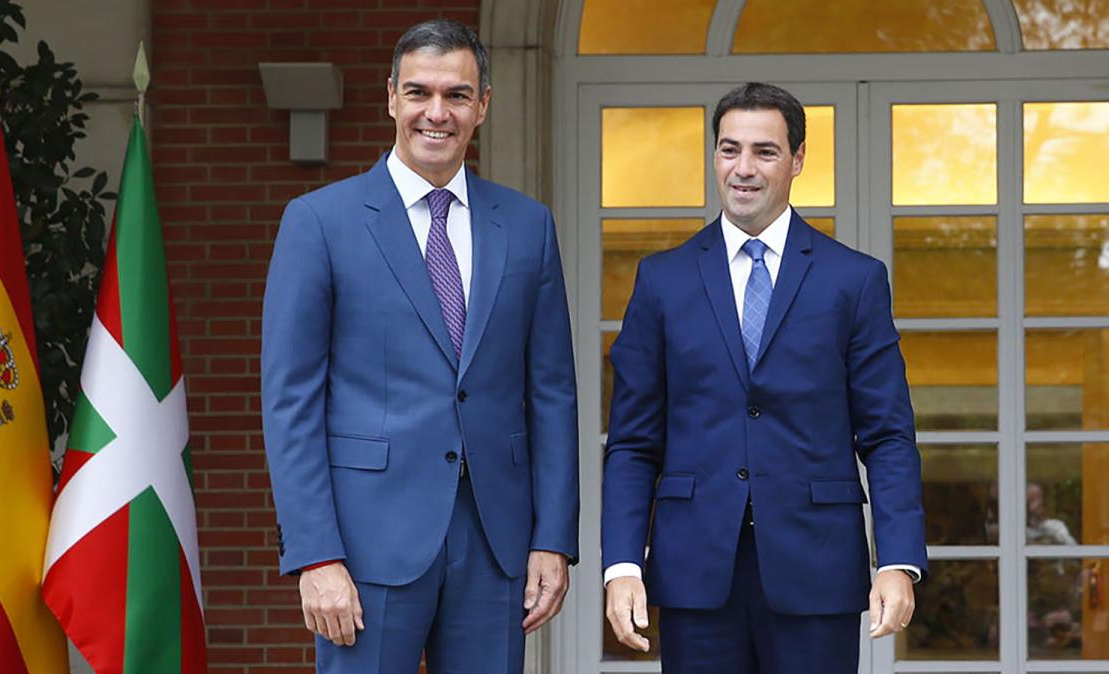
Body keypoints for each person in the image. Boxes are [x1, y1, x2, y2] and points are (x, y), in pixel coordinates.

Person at [261, 19, 578, 674]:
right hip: (366, 544)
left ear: (483, 105)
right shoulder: (320, 222)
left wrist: (552, 539)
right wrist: (316, 555)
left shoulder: (526, 226)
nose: (437, 113)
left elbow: (551, 393)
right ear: (390, 99)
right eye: (419, 93)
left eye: (458, 95)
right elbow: (290, 404)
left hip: (495, 544)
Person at [601, 82, 928, 673]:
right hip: (695, 572)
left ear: (797, 159)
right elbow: (632, 442)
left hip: (817, 567)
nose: (743, 169)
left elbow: (887, 435)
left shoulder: (853, 280)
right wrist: (623, 565)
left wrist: (898, 560)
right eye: (729, 150)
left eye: (764, 152)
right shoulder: (662, 281)